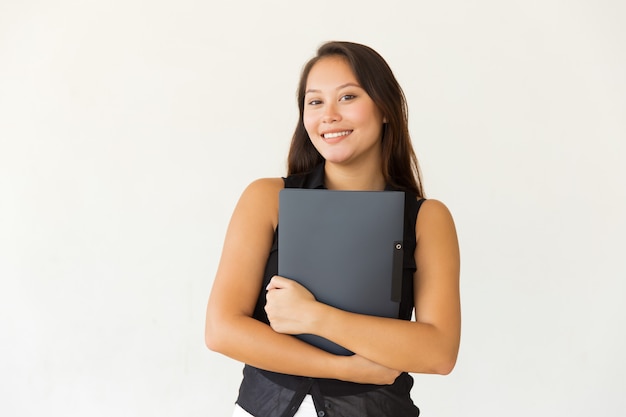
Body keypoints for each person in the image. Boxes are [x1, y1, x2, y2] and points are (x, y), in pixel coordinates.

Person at [205, 40, 461, 417]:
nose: (328, 115)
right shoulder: (267, 198)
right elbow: (221, 330)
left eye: (347, 97)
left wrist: (314, 316)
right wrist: (345, 368)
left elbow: (439, 352)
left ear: (385, 108)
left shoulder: (427, 218)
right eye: (315, 101)